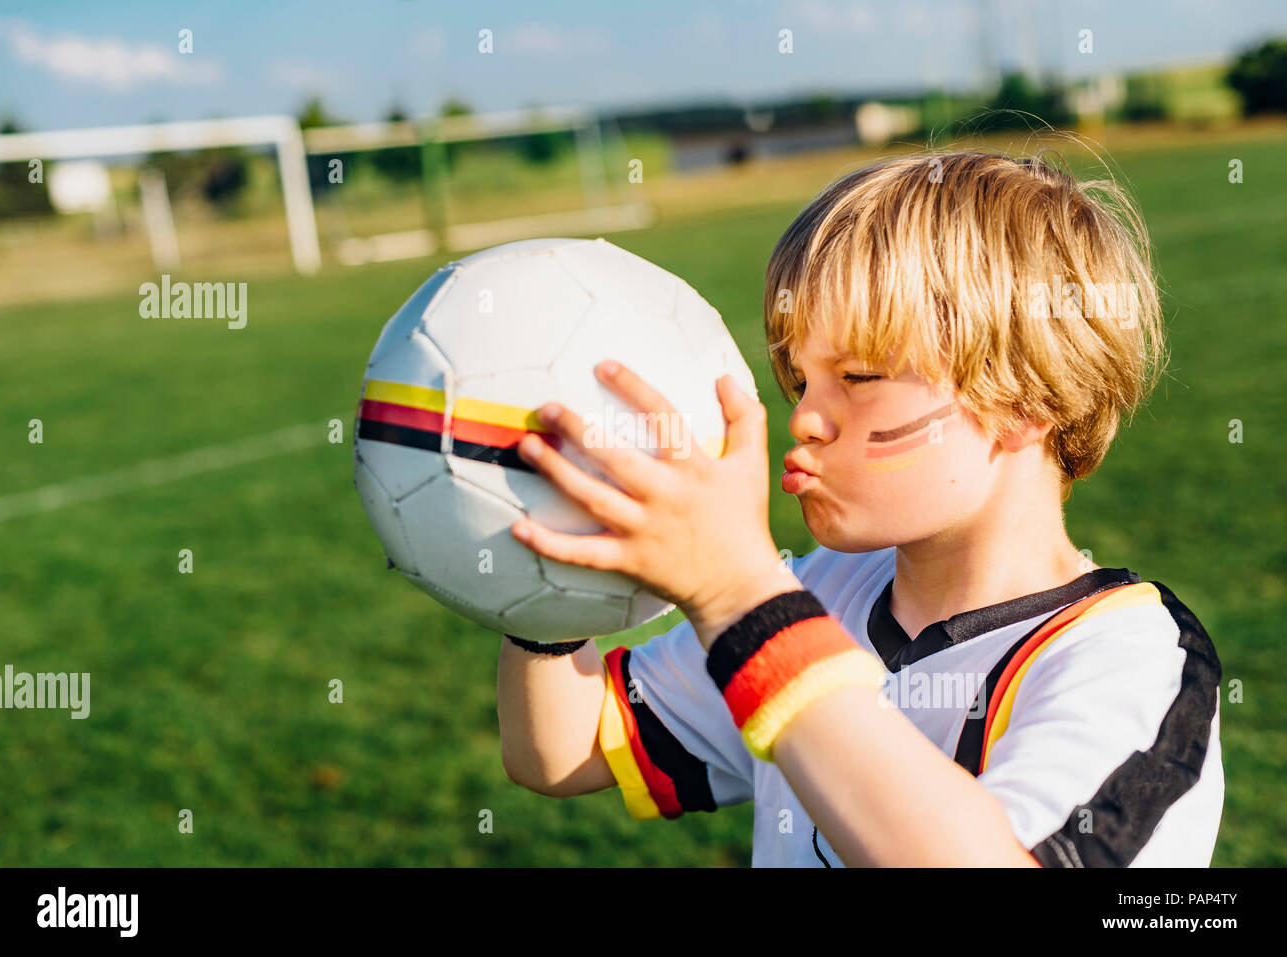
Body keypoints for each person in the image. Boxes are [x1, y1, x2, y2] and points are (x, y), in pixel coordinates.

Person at [497, 151, 1223, 867]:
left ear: (1027, 402)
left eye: (859, 375)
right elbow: (570, 746)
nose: (805, 419)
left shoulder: (1127, 661)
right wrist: (546, 578)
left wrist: (739, 600)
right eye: (798, 379)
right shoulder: (818, 595)